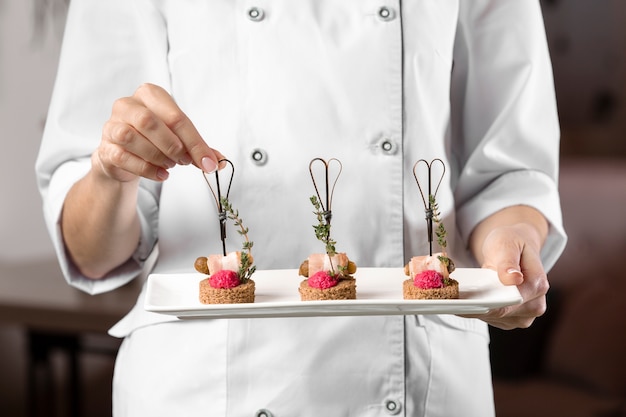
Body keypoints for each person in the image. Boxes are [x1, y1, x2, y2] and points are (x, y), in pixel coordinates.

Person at [36, 1, 567, 416]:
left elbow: (507, 169)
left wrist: (510, 248)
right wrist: (112, 172)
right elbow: (93, 253)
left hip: (418, 381)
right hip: (204, 390)